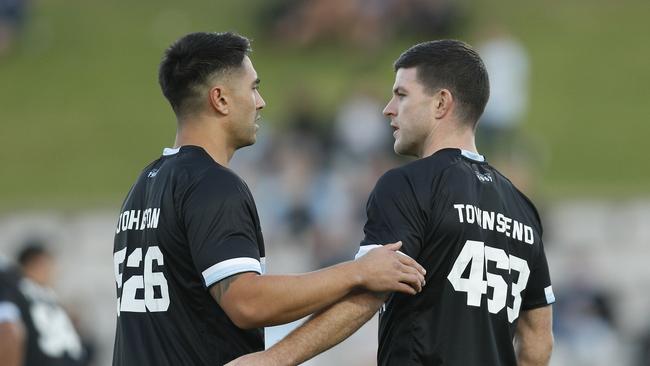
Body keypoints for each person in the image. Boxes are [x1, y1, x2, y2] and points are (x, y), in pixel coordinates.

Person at [227, 40, 555, 366]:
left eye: (401, 95)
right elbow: (538, 342)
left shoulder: (408, 184)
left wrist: (274, 359)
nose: (388, 108)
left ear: (441, 103)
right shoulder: (523, 208)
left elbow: (369, 292)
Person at [111, 31, 426, 366]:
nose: (260, 102)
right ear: (220, 99)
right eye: (253, 88)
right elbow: (247, 303)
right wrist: (357, 272)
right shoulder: (212, 184)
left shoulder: (143, 185)